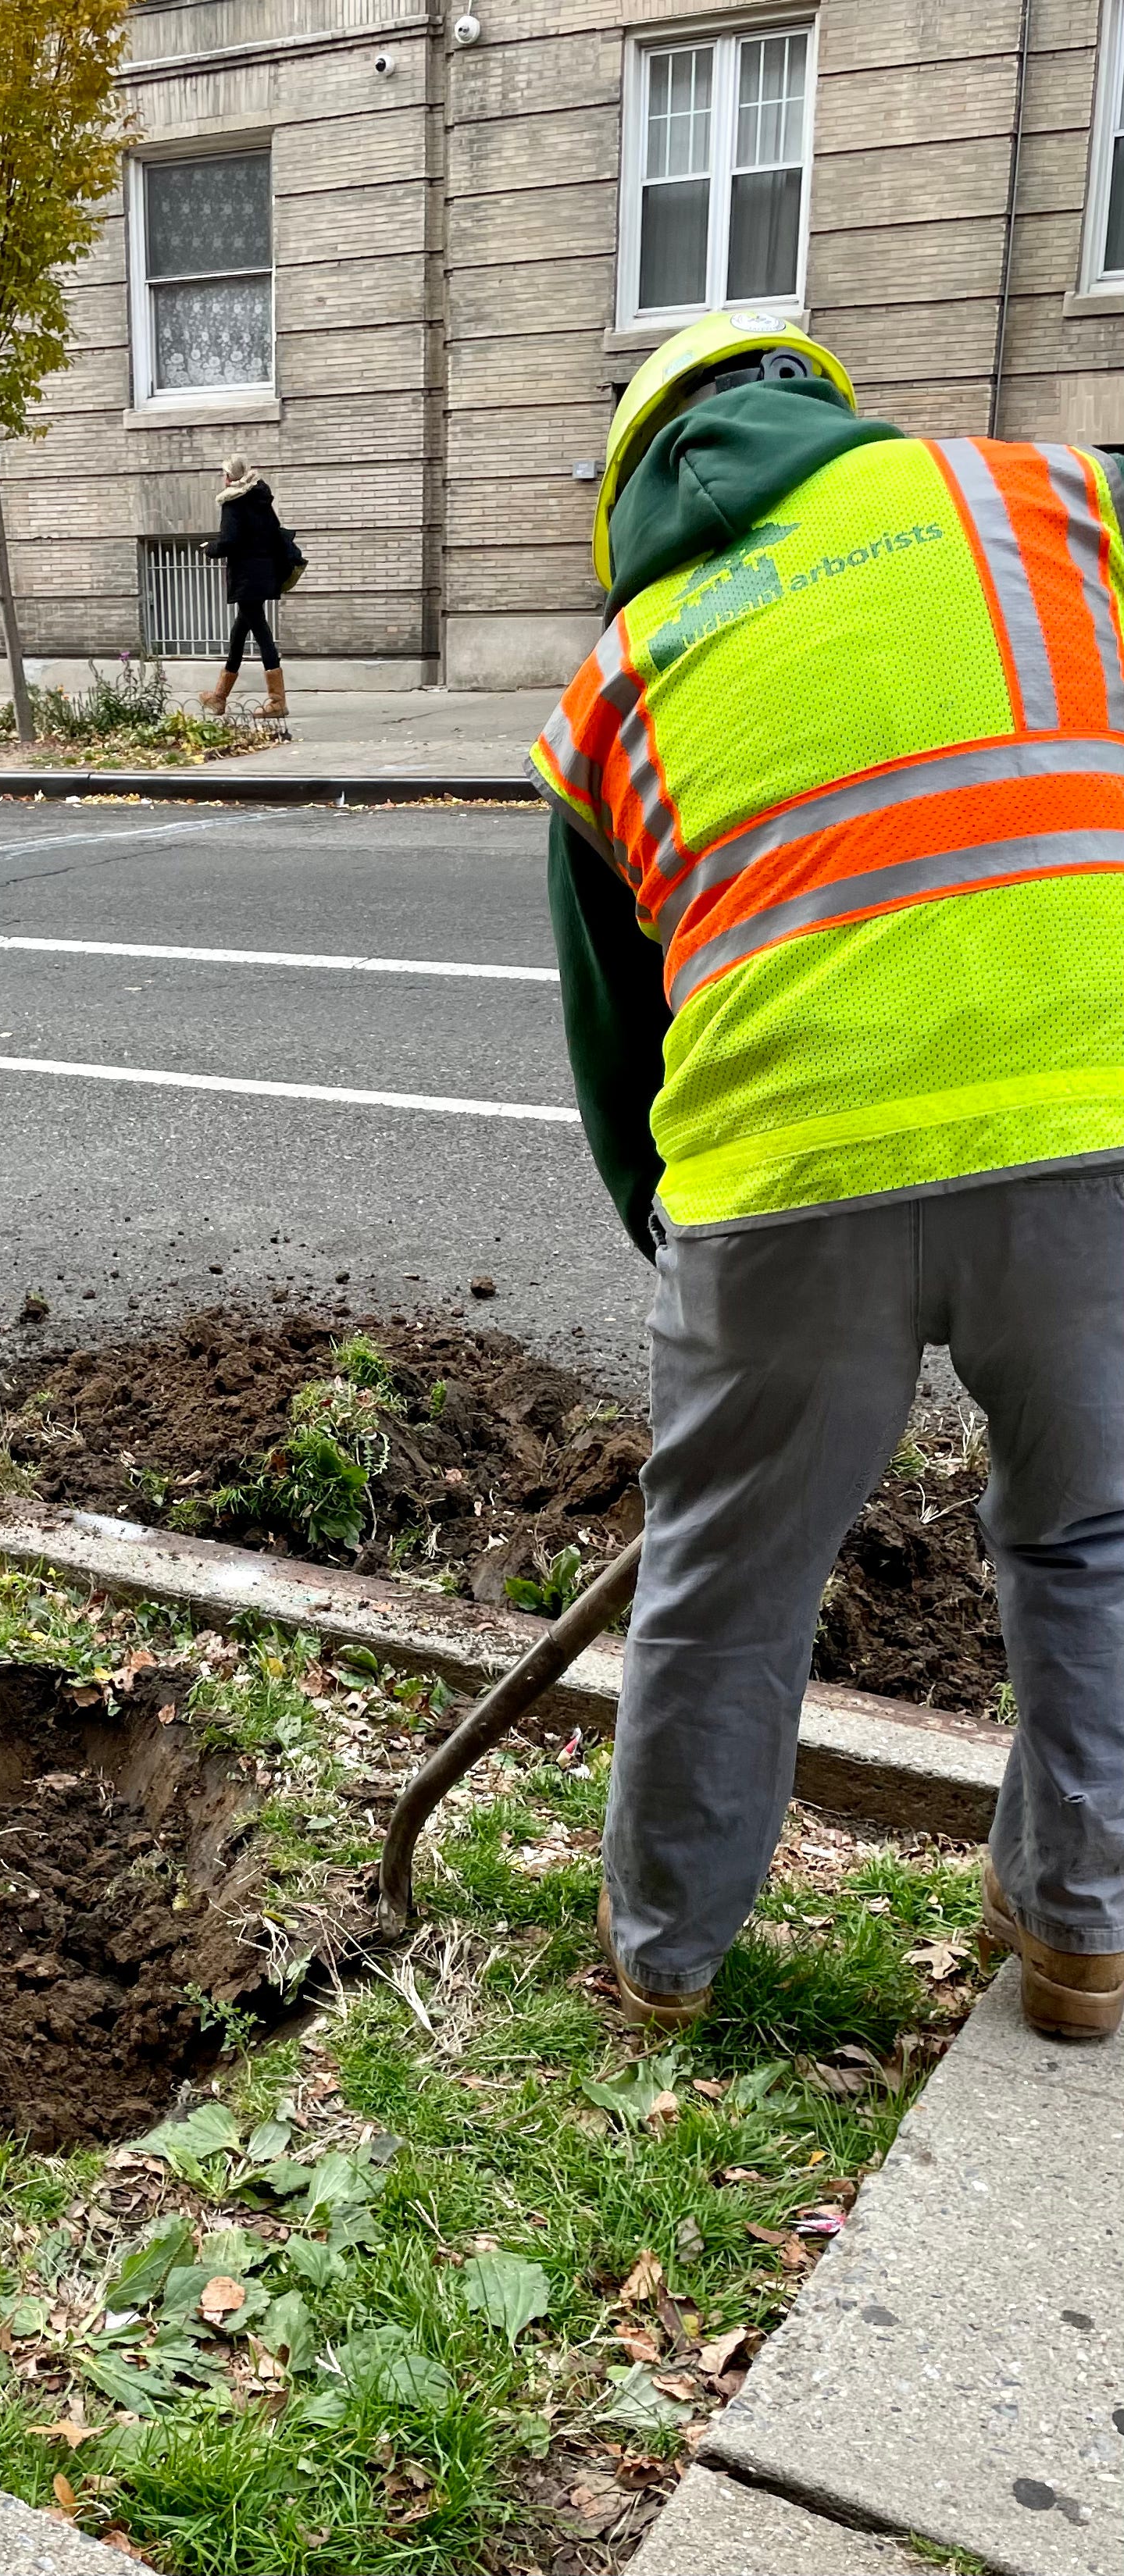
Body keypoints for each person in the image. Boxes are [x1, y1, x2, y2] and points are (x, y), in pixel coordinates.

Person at [529, 309, 1124, 2043]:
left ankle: (663, 1964)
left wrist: (684, 1251)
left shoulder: (616, 678)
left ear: (630, 498)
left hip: (782, 1175)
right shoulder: (1052, 499)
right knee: (1091, 1541)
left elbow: (616, 1043)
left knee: (722, 1582)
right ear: (822, 405)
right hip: (1093, 1122)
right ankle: (1079, 1935)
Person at [201, 456, 290, 718]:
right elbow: (274, 532)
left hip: (246, 578)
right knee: (239, 633)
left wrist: (210, 549)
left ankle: (277, 701)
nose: (223, 478)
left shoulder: (234, 503)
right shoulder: (261, 500)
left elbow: (230, 541)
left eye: (224, 474)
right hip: (264, 574)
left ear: (229, 477)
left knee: (261, 632)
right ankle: (219, 697)